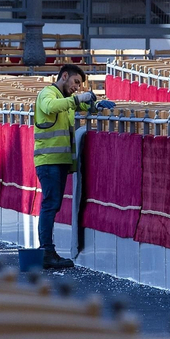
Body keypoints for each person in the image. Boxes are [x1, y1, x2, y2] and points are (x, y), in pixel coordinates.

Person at [33, 63, 113, 270]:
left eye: (79, 85)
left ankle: (46, 251)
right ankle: (46, 252)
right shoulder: (47, 94)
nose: (77, 87)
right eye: (76, 82)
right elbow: (51, 107)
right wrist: (78, 99)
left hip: (57, 161)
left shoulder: (65, 99)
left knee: (52, 205)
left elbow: (80, 105)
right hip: (48, 161)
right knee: (50, 205)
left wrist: (96, 105)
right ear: (64, 76)